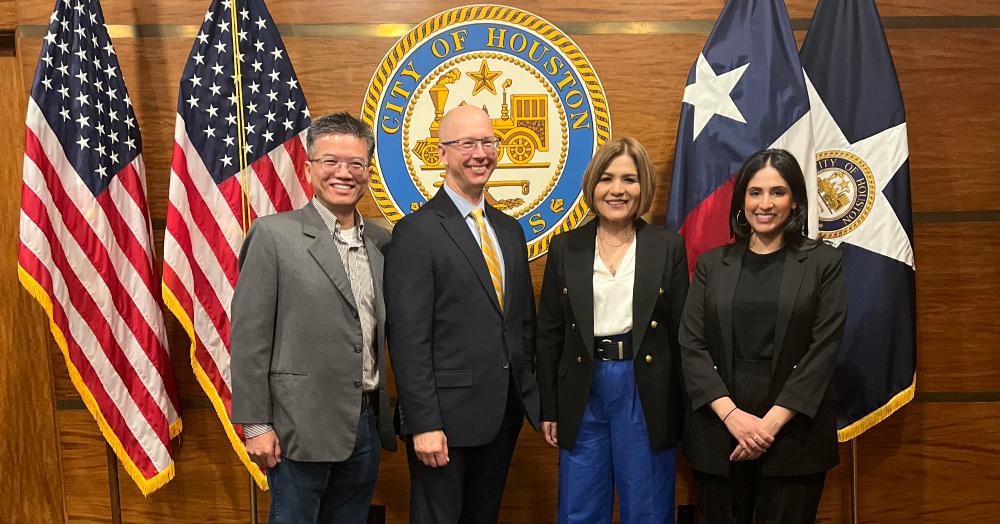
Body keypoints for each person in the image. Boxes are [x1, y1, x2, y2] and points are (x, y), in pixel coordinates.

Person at [230, 112, 397, 524]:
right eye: (331, 161)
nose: (344, 173)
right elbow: (249, 338)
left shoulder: (382, 241)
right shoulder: (273, 236)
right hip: (297, 429)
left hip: (365, 426)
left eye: (355, 163)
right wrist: (256, 425)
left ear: (368, 172)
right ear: (308, 170)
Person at [385, 105, 540, 524]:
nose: (480, 153)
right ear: (442, 153)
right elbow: (408, 340)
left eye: (488, 142)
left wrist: (530, 394)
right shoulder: (416, 232)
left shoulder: (509, 230)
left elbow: (521, 323)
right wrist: (423, 423)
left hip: (503, 415)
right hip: (443, 423)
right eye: (467, 143)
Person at [679, 149, 847, 524]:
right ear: (742, 201)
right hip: (720, 432)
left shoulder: (824, 263)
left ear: (795, 200)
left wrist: (767, 427)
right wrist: (733, 417)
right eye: (755, 192)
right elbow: (691, 345)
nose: (765, 204)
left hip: (793, 436)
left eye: (777, 192)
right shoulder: (711, 264)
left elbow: (824, 349)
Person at [536, 138, 689, 524]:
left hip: (644, 387)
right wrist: (549, 407)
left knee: (647, 508)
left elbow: (681, 336)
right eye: (606, 178)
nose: (617, 189)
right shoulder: (565, 247)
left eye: (629, 179)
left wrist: (685, 410)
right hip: (582, 388)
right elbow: (550, 334)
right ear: (593, 185)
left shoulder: (668, 246)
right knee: (580, 508)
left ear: (643, 187)